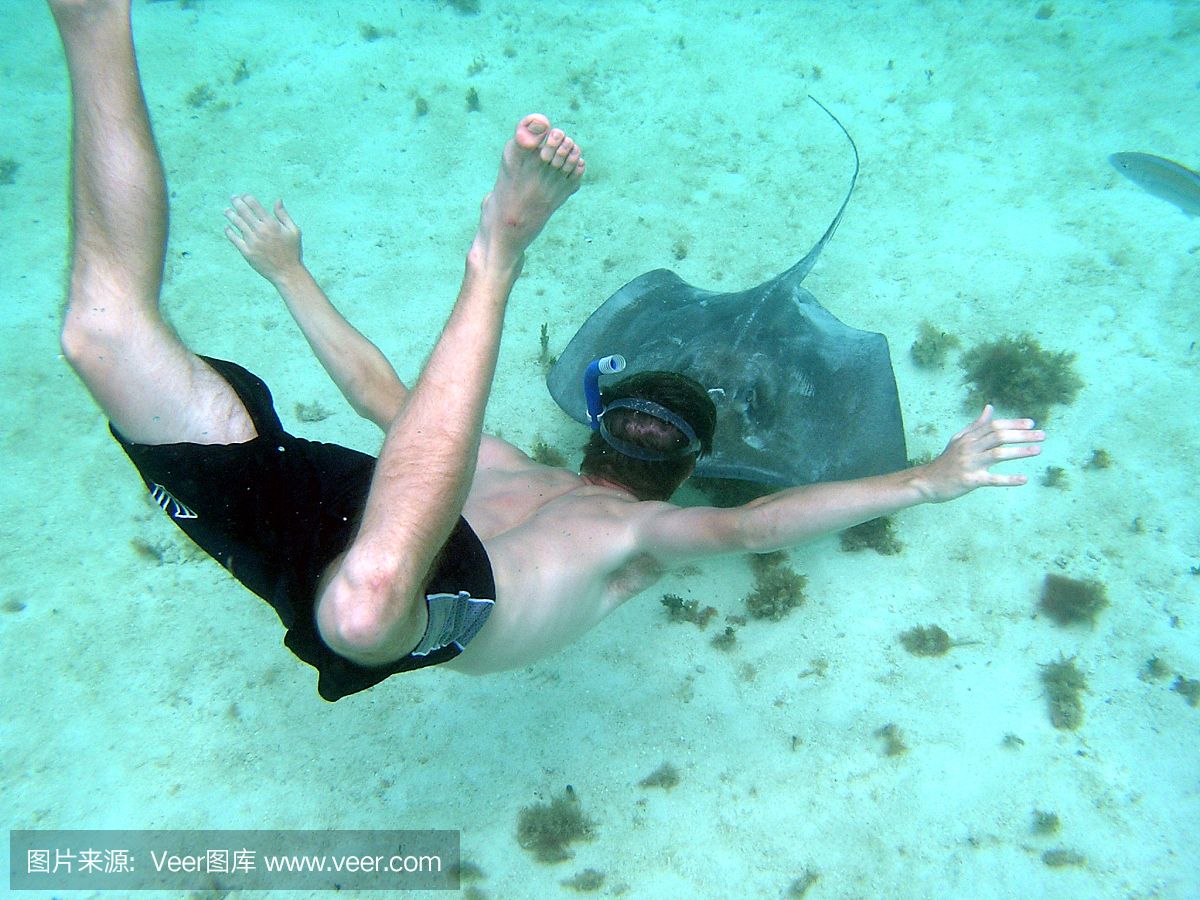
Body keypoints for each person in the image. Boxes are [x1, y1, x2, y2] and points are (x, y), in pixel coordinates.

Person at [52, 0, 1045, 702]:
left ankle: (498, 255)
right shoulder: (499, 460)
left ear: (690, 464)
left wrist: (926, 482)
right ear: (597, 417)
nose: (650, 419)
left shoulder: (638, 542)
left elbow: (759, 528)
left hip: (399, 601)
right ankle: (96, 25)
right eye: (635, 407)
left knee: (363, 608)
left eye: (674, 427)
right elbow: (376, 392)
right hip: (339, 522)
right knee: (100, 338)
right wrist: (289, 274)